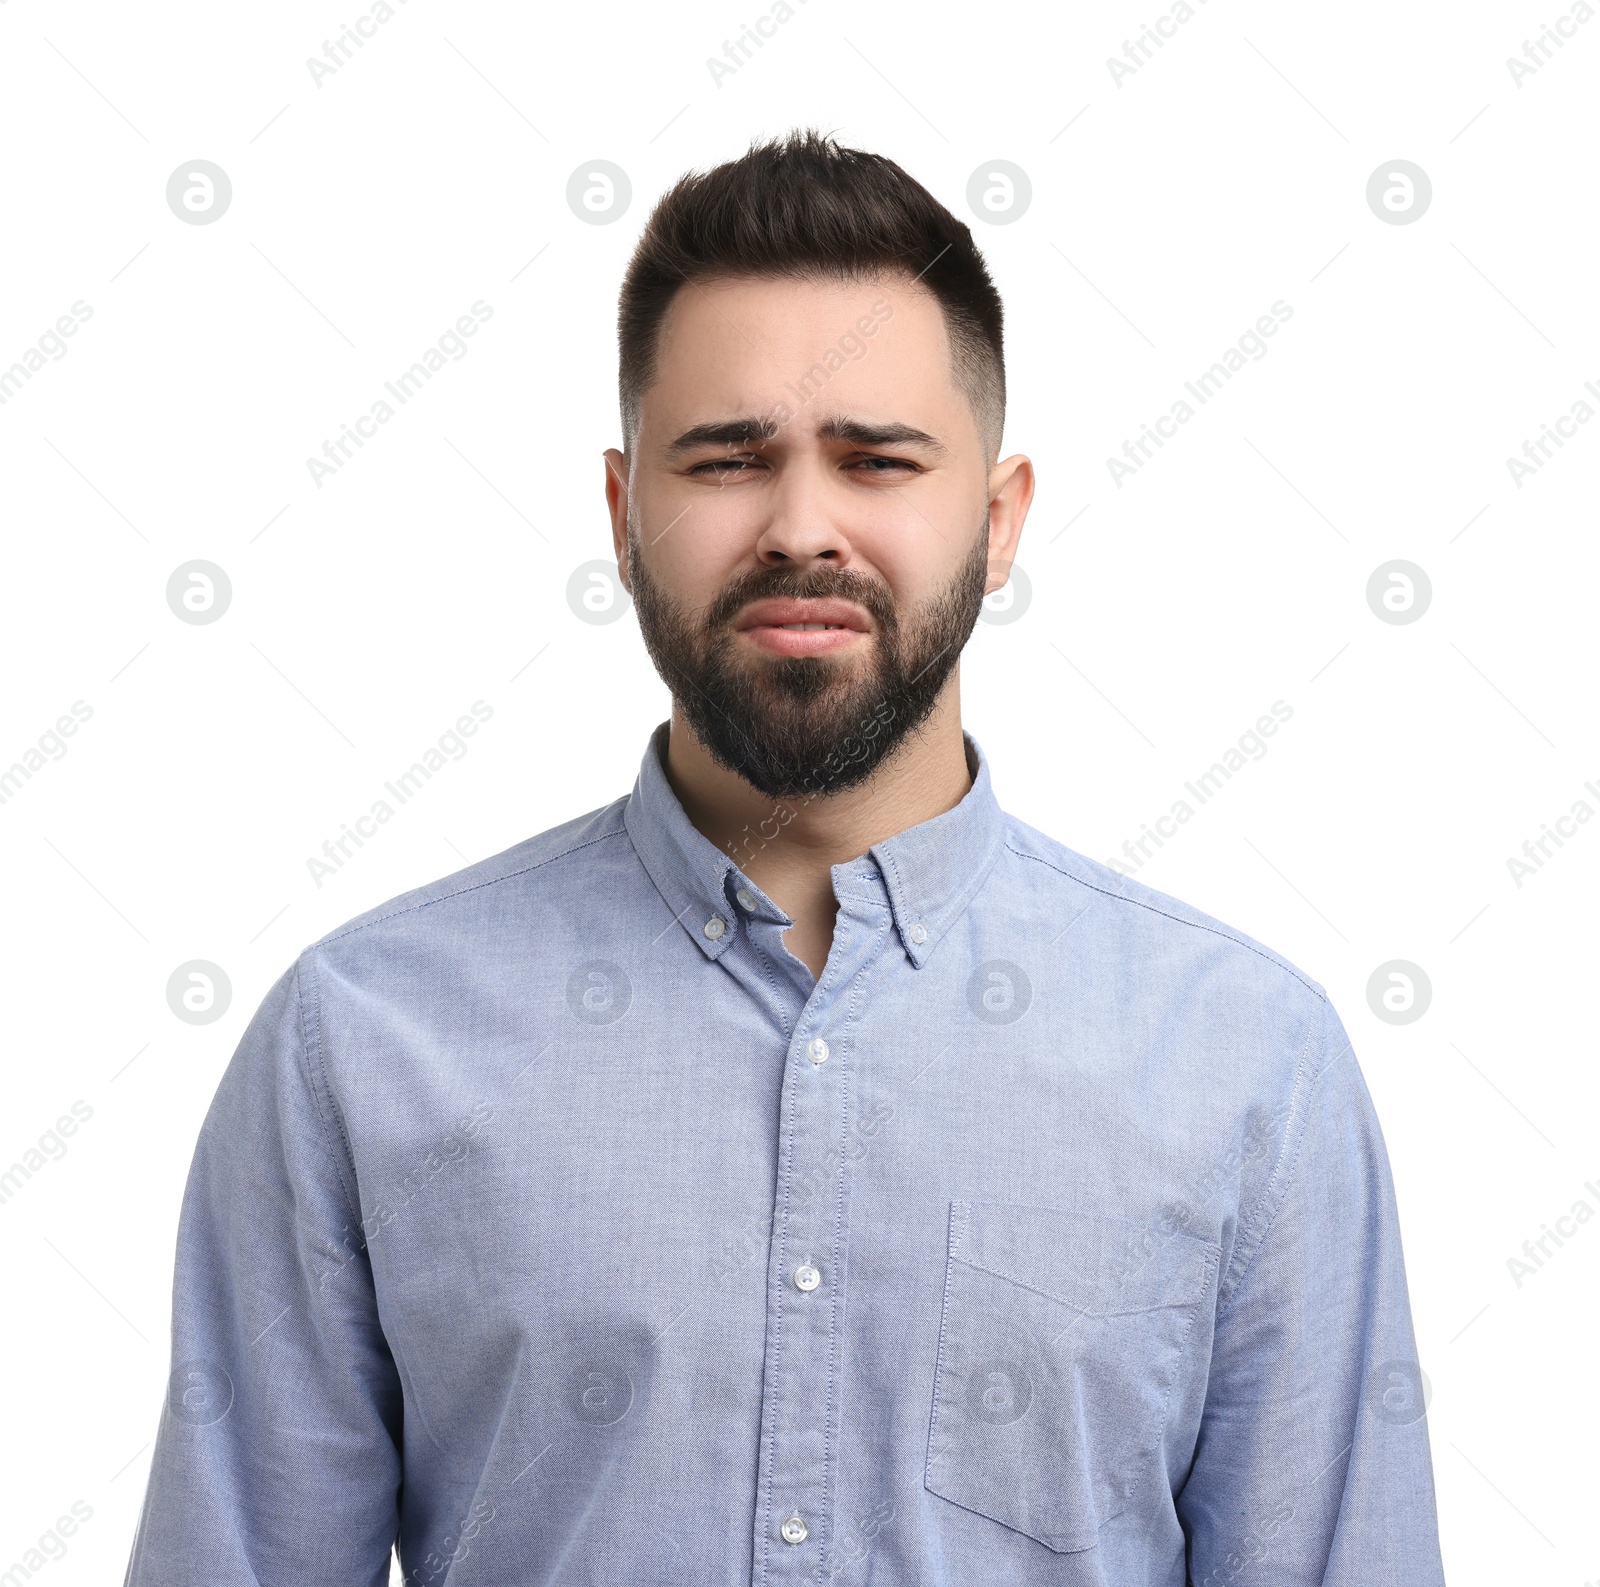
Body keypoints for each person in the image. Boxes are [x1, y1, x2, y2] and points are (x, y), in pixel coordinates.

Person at [125, 130, 1446, 1586]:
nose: (801, 527)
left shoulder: (1248, 1064)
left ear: (997, 521)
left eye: (876, 460)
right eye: (730, 460)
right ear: (626, 517)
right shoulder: (361, 1041)